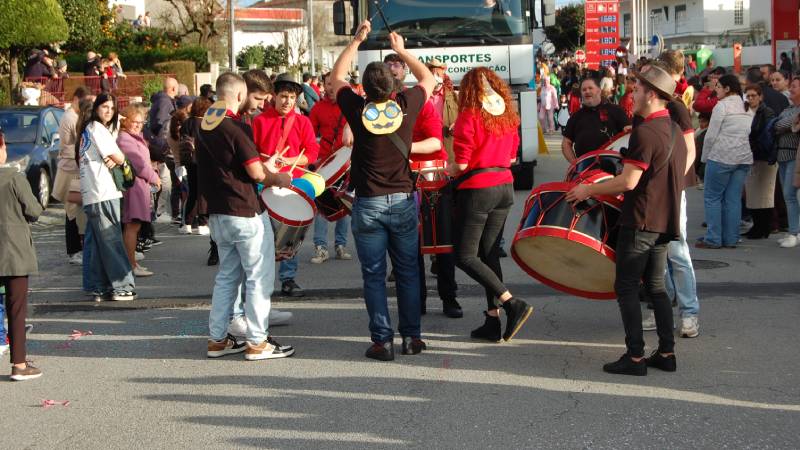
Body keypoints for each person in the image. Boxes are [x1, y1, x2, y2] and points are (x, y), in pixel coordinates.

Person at [566, 64, 684, 376]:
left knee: (627, 286)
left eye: (638, 89)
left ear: (652, 94)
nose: (633, 93)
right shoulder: (672, 128)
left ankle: (635, 357)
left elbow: (629, 181)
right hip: (664, 218)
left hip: (642, 218)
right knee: (656, 286)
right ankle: (667, 352)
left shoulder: (645, 132)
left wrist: (588, 189)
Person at [331, 20, 433, 360]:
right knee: (408, 272)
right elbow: (428, 79)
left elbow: (336, 78)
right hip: (402, 201)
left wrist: (356, 41)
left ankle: (382, 341)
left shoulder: (357, 108)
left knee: (374, 276)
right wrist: (402, 50)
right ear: (393, 85)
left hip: (368, 203)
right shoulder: (405, 104)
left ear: (364, 88)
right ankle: (412, 338)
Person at [197, 72, 295, 361]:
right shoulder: (236, 127)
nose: (259, 104)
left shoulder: (204, 125)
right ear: (240, 94)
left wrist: (263, 167)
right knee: (258, 277)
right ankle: (257, 341)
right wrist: (279, 178)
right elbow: (255, 173)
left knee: (227, 277)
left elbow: (233, 166)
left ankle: (217, 339)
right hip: (245, 211)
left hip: (218, 212)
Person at [448, 67, 534, 342]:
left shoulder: (469, 115)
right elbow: (511, 158)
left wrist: (447, 169)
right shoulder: (507, 116)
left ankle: (511, 303)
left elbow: (461, 164)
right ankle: (492, 320)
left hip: (478, 189)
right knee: (488, 254)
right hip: (504, 187)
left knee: (465, 256)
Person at [634, 55, 700, 339]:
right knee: (654, 253)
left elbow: (690, 150)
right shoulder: (641, 110)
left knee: (677, 251)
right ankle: (661, 307)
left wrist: (672, 184)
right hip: (650, 192)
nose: (638, 85)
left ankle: (689, 313)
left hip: (672, 190)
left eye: (644, 78)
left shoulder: (676, 107)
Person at [252, 73, 320, 297]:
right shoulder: (259, 121)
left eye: (291, 97)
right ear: (274, 96)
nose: (287, 101)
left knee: (290, 233)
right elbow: (252, 153)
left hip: (292, 184)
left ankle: (288, 278)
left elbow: (312, 153)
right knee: (265, 235)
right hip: (266, 182)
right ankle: (262, 281)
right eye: (283, 96)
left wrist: (290, 161)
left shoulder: (302, 122)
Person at [77, 93, 136, 301]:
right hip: (103, 191)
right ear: (96, 108)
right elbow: (117, 156)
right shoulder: (97, 129)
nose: (109, 111)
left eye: (112, 108)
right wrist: (121, 159)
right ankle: (123, 285)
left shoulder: (88, 129)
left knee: (95, 242)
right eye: (105, 107)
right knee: (111, 240)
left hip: (92, 192)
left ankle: (97, 286)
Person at [0, 126, 44, 381]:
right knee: (16, 309)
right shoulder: (14, 177)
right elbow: (34, 211)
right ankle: (19, 364)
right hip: (14, 251)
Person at [696, 74, 753, 249]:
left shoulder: (721, 106)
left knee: (712, 197)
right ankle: (731, 238)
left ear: (727, 89)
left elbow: (711, 136)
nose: (716, 90)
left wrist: (704, 158)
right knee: (733, 199)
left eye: (719, 87)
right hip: (743, 157)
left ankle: (713, 238)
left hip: (721, 156)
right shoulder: (746, 106)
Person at [308, 72, 354, 264]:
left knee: (343, 204)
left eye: (335, 84)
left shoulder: (351, 106)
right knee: (322, 207)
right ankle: (321, 247)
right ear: (324, 86)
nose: (332, 88)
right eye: (328, 84)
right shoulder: (317, 108)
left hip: (347, 163)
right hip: (324, 165)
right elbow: (310, 136)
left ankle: (340, 245)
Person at [117, 105, 161, 277]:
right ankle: (130, 265)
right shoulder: (125, 139)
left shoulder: (131, 137)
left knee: (134, 226)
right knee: (132, 225)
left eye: (141, 122)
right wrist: (154, 177)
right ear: (125, 121)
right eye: (134, 121)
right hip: (134, 186)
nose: (138, 125)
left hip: (138, 185)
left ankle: (132, 263)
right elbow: (139, 164)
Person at [53, 87, 93, 266]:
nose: (87, 105)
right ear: (77, 99)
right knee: (72, 212)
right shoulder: (70, 117)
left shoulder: (74, 116)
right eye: (85, 101)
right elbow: (70, 146)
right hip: (70, 169)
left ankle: (78, 248)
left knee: (77, 211)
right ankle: (74, 250)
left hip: (73, 167)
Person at [561, 77, 630, 162]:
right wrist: (575, 164)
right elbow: (566, 143)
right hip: (586, 166)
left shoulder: (616, 111)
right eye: (584, 90)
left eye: (590, 88)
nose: (587, 91)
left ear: (599, 90)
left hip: (613, 165)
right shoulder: (575, 117)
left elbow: (628, 133)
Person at [743, 84, 777, 239]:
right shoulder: (745, 111)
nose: (750, 99)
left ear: (760, 96)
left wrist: (755, 146)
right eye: (748, 96)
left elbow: (766, 133)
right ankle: (757, 226)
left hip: (764, 156)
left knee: (765, 194)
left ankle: (764, 228)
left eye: (753, 96)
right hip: (751, 156)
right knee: (753, 194)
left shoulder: (766, 111)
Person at [773, 77, 800, 248]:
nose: (791, 89)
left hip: (794, 157)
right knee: (787, 195)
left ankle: (794, 233)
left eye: (794, 86)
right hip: (782, 156)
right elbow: (777, 125)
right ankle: (793, 230)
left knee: (790, 195)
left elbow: (782, 124)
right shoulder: (789, 108)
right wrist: (787, 123)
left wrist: (784, 124)